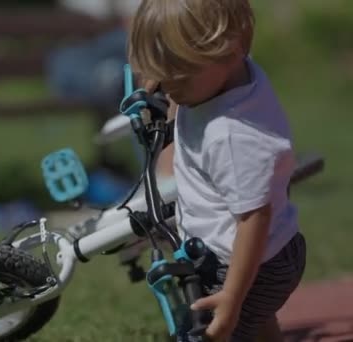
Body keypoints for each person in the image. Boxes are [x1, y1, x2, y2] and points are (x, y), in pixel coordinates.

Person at [127, 1, 306, 341]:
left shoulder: (230, 135)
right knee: (258, 323)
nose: (167, 86)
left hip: (245, 267)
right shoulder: (238, 75)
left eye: (176, 73)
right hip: (278, 248)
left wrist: (232, 298)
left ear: (230, 49)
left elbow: (254, 219)